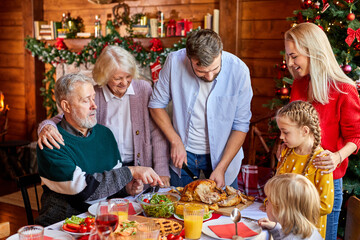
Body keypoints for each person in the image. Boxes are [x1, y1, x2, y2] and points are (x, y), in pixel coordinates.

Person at [36, 73, 163, 226]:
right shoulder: (51, 142)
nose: (94, 105)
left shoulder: (105, 134)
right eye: (85, 100)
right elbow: (85, 190)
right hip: (64, 226)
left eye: (93, 98)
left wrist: (126, 188)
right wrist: (131, 171)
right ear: (66, 106)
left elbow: (108, 182)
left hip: (102, 222)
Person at [37, 46, 171, 186]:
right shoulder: (94, 95)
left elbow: (156, 131)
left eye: (128, 76)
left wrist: (162, 170)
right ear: (105, 76)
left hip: (141, 165)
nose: (124, 83)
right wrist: (47, 126)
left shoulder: (143, 90)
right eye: (118, 78)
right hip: (108, 171)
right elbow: (69, 114)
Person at [148, 29, 253, 188]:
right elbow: (156, 105)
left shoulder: (239, 71)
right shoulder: (174, 61)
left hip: (224, 156)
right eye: (201, 71)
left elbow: (240, 126)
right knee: (180, 208)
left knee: (223, 209)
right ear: (190, 58)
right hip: (184, 155)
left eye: (215, 69)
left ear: (220, 52)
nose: (209, 77)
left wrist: (221, 168)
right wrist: (175, 141)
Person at [284, 22, 360, 239]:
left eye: (294, 56)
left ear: (313, 52)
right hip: (296, 179)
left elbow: (356, 135)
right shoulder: (299, 85)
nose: (290, 63)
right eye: (288, 56)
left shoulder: (344, 89)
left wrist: (337, 156)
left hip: (325, 182)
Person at [275, 100, 333, 238]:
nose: (281, 137)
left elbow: (326, 205)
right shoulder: (286, 153)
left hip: (308, 233)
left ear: (305, 131)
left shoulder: (322, 161)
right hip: (284, 227)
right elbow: (276, 185)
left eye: (285, 132)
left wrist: (287, 209)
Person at [258, 173, 323, 240]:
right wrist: (276, 229)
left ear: (282, 209)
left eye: (269, 200)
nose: (266, 203)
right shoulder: (310, 231)